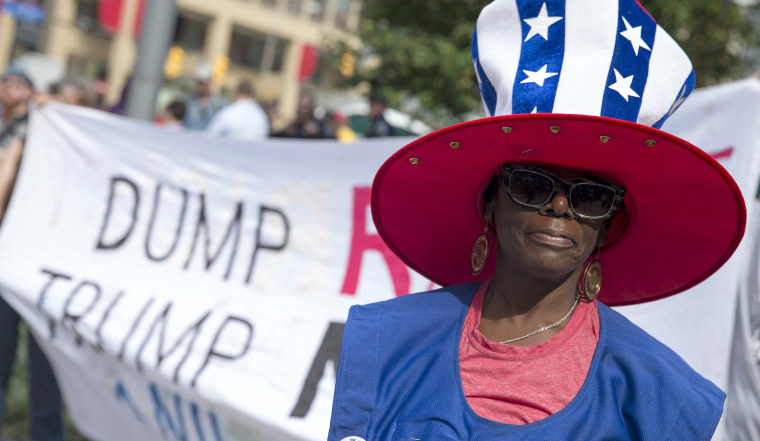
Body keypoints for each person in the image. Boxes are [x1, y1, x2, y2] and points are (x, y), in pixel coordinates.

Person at [328, 1, 745, 440]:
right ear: (491, 203)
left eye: (591, 196)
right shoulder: (387, 341)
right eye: (531, 184)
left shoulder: (660, 399)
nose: (560, 207)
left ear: (607, 225)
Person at [0, 67, 65, 441]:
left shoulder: (42, 125)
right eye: (6, 81)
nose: (11, 88)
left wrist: (47, 106)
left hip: (37, 261)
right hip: (7, 256)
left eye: (20, 83)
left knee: (44, 370)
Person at [183, 64, 226, 130]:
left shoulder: (219, 104)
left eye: (203, 83)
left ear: (209, 83)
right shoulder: (188, 101)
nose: (201, 86)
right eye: (199, 83)